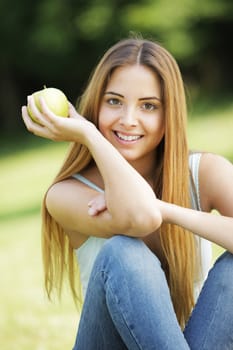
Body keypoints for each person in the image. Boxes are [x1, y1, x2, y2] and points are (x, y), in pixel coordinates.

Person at [22, 36, 233, 350]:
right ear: (95, 106)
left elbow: (150, 211)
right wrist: (90, 136)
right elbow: (141, 219)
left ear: (168, 115)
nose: (128, 120)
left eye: (148, 106)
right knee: (124, 252)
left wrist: (168, 209)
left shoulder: (203, 171)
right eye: (114, 101)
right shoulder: (66, 194)